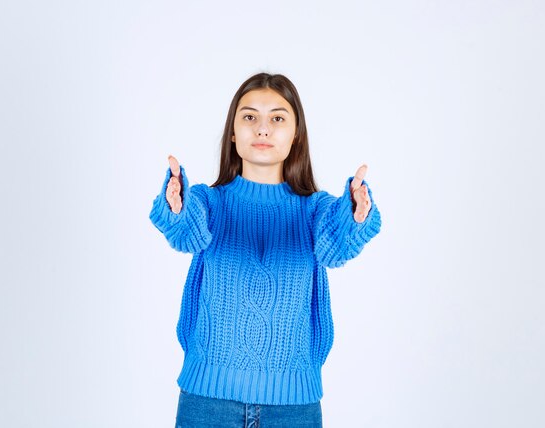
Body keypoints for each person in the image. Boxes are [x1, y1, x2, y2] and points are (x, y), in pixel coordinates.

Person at [149, 72, 382, 427]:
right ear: (232, 131)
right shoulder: (208, 203)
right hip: (207, 402)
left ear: (295, 134)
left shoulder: (314, 210)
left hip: (293, 407)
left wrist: (355, 214)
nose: (262, 129)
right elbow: (185, 231)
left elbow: (336, 242)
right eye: (249, 117)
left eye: (277, 118)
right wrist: (175, 206)